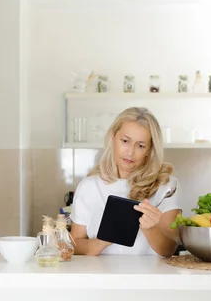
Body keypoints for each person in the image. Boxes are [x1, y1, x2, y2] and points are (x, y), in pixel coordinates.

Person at [69, 107, 182, 257]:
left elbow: (169, 249)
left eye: (140, 146)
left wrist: (150, 229)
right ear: (113, 137)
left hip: (150, 279)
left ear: (149, 150)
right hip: (100, 278)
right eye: (125, 141)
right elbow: (74, 245)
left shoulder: (166, 186)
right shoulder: (89, 186)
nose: (130, 152)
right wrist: (104, 240)